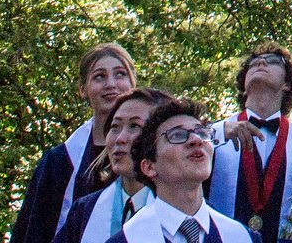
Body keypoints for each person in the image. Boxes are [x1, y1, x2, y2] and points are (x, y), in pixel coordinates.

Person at [211, 45, 292, 243]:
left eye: (272, 61)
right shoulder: (214, 136)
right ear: (244, 86)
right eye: (253, 64)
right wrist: (215, 134)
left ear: (287, 84)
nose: (261, 63)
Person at [13, 44, 138, 243]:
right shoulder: (60, 163)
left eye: (120, 74)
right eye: (99, 76)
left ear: (133, 84)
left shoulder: (151, 154)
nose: (111, 84)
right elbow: (34, 231)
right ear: (82, 89)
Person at [107, 96, 253, 243]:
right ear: (149, 167)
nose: (196, 140)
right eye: (177, 135)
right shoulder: (128, 239)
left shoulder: (242, 237)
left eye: (202, 133)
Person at [53, 88, 171, 243]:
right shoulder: (84, 211)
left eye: (135, 126)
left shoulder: (186, 211)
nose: (120, 138)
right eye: (115, 127)